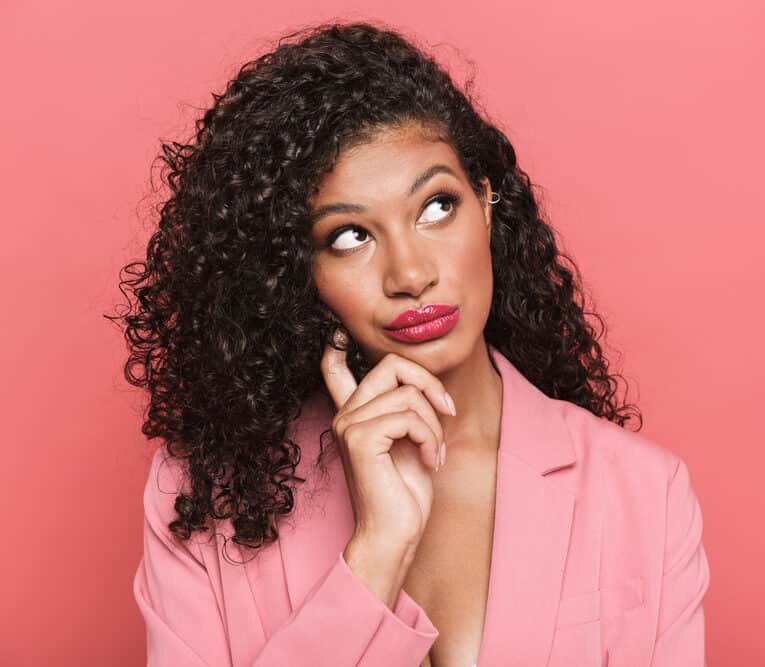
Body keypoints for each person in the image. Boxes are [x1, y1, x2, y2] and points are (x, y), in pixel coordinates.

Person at [114, 19, 710, 667]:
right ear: (294, 270)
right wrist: (377, 550)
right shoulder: (204, 496)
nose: (410, 273)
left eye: (435, 207)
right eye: (349, 237)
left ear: (485, 202)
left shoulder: (643, 494)